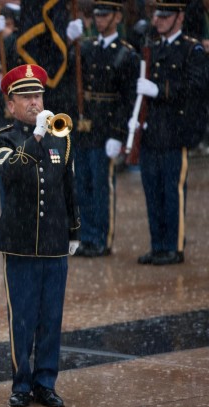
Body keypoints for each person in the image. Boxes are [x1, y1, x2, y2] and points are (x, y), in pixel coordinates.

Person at [0, 64, 80, 407]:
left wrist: (74, 230)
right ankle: (21, 383)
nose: (34, 102)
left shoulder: (63, 136)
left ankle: (46, 382)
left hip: (55, 241)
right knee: (23, 319)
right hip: (20, 242)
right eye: (26, 96)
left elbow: (69, 188)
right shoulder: (3, 138)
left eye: (38, 95)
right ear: (10, 104)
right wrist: (36, 137)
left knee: (51, 318)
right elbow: (10, 174)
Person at [134, 0, 208, 265]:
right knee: (152, 192)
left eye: (166, 16)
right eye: (158, 15)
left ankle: (173, 247)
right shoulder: (152, 49)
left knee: (172, 192)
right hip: (152, 132)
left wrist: (161, 89)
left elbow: (196, 88)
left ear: (180, 17)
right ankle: (157, 245)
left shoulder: (192, 50)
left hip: (175, 132)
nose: (159, 20)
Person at [70, 0, 139, 257]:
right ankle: (86, 235)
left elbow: (127, 99)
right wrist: (69, 42)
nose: (99, 20)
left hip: (106, 126)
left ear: (117, 17)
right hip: (85, 125)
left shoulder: (126, 54)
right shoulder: (85, 49)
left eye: (105, 15)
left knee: (101, 186)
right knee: (82, 184)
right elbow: (68, 73)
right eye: (97, 16)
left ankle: (101, 238)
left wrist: (119, 134)